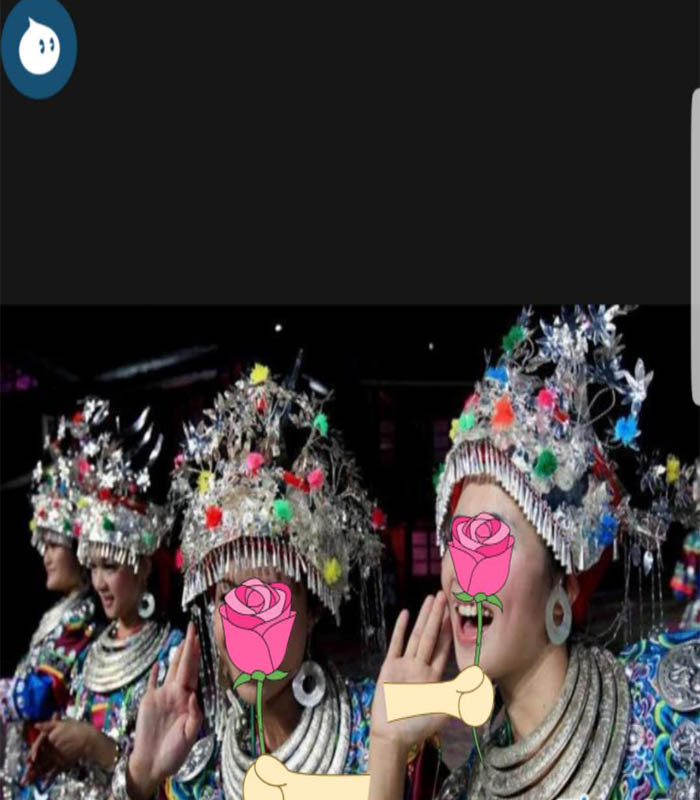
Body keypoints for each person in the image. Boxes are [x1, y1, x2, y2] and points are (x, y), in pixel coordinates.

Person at [370, 306, 700, 800]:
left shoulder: (677, 705)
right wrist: (387, 747)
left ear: (563, 586)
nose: (462, 574)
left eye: (490, 539)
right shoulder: (463, 791)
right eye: (456, 539)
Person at [111, 364, 445, 800]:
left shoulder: (385, 733)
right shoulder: (193, 764)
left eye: (268, 594)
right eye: (228, 595)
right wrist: (140, 779)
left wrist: (386, 756)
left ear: (313, 609)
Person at [20, 401, 183, 800]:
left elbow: (183, 780)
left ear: (143, 566)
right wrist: (58, 748)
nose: (99, 582)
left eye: (110, 566)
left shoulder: (173, 654)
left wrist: (95, 746)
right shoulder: (91, 652)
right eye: (92, 567)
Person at [0, 405, 100, 797]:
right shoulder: (59, 615)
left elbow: (44, 692)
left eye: (54, 544)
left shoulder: (83, 619)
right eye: (43, 544)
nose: (45, 555)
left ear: (79, 551)